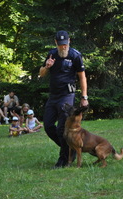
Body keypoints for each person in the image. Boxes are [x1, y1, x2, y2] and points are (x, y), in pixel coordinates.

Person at [39, 30, 89, 168]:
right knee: (48, 126)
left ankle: (63, 160)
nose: (63, 47)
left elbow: (82, 76)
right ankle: (70, 149)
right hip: (53, 96)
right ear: (56, 43)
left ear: (69, 41)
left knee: (61, 128)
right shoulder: (51, 54)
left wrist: (84, 96)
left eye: (65, 44)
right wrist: (47, 66)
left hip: (67, 96)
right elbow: (41, 74)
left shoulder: (75, 55)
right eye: (60, 45)